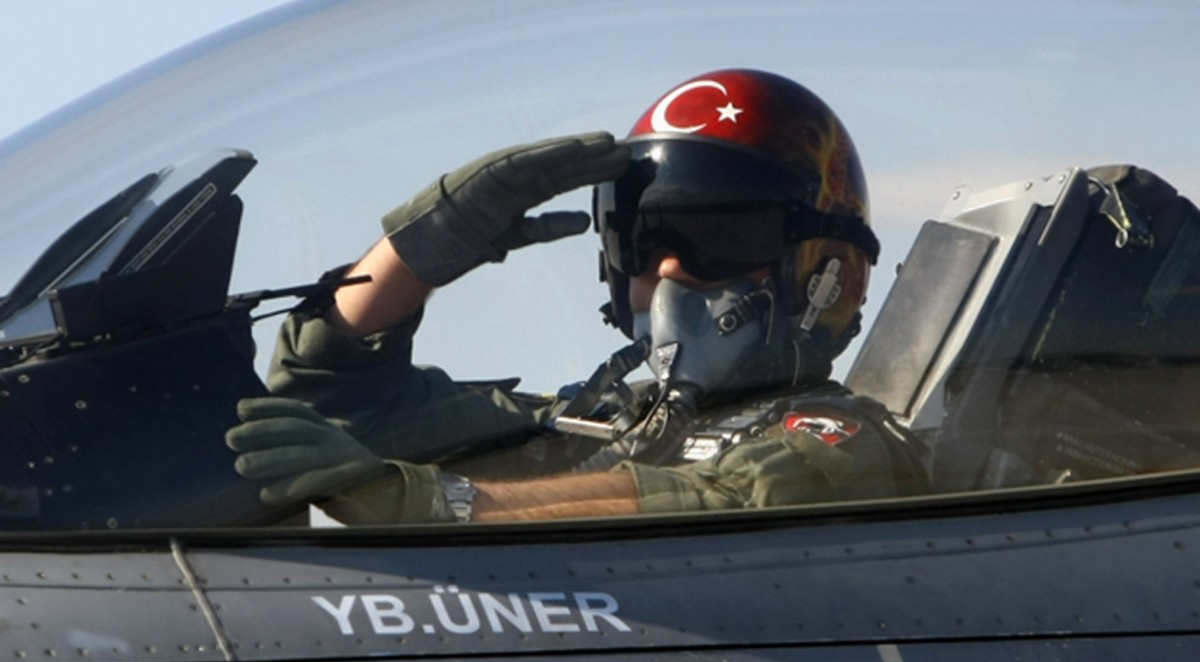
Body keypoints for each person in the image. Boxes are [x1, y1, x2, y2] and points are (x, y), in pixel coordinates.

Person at [226, 69, 930, 524]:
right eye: (643, 242)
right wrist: (416, 252)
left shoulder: (841, 443)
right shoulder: (597, 425)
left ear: (823, 273)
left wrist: (436, 502)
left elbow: (726, 502)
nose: (670, 270)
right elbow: (327, 408)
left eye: (721, 238)